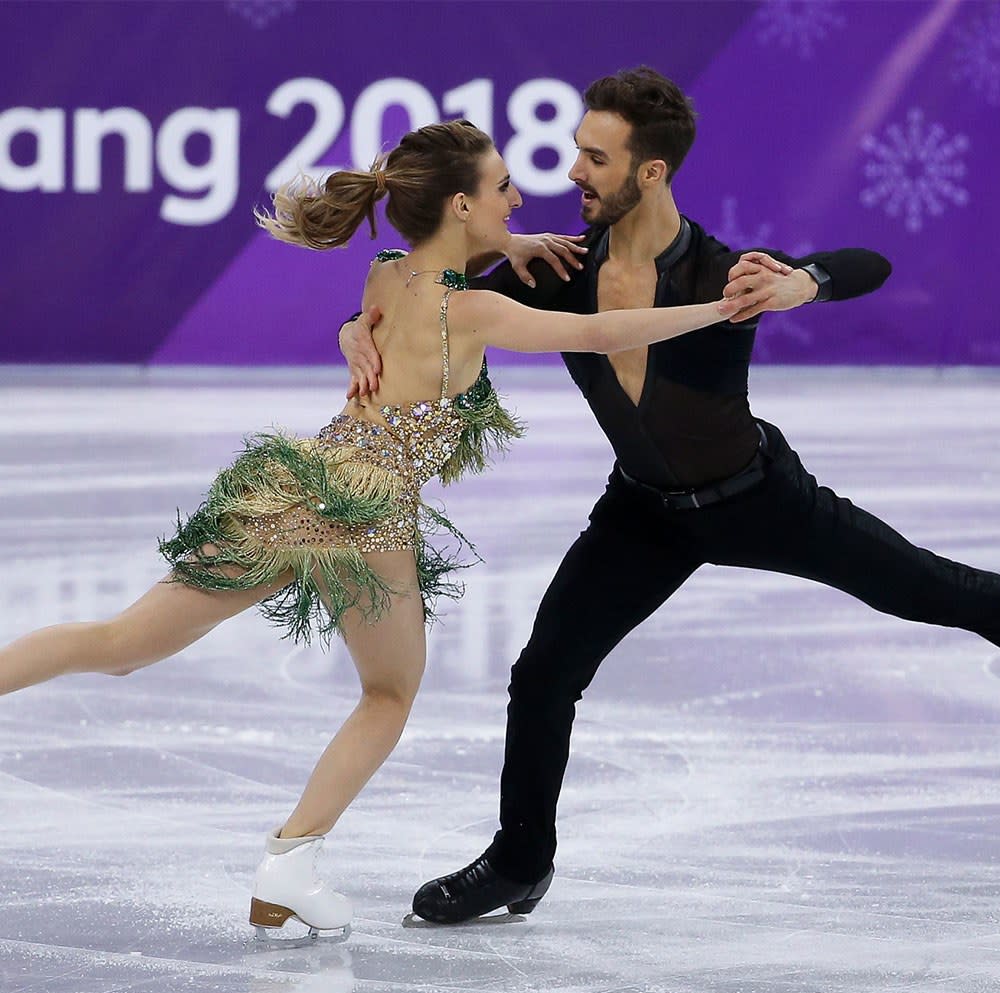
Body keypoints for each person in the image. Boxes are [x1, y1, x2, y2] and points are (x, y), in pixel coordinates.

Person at [0, 118, 766, 943]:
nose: (520, 195)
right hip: (368, 509)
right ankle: (288, 866)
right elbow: (593, 331)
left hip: (294, 485)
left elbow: (403, 295)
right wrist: (714, 308)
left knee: (119, 644)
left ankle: (286, 867)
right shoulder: (473, 311)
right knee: (389, 693)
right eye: (504, 187)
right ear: (464, 203)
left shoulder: (384, 274)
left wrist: (485, 256)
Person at [341, 68, 999, 926]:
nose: (573, 172)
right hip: (643, 513)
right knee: (543, 676)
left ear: (649, 173)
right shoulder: (557, 270)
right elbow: (421, 303)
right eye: (577, 150)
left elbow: (868, 263)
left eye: (595, 158)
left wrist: (807, 283)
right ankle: (519, 861)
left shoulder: (727, 273)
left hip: (759, 498)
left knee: (932, 590)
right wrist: (356, 329)